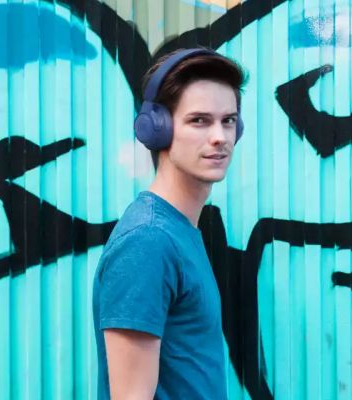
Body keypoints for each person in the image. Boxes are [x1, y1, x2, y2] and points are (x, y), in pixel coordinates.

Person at [92, 48, 247, 399]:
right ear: (157, 128)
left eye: (228, 120)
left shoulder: (177, 231)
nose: (221, 136)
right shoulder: (148, 241)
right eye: (199, 120)